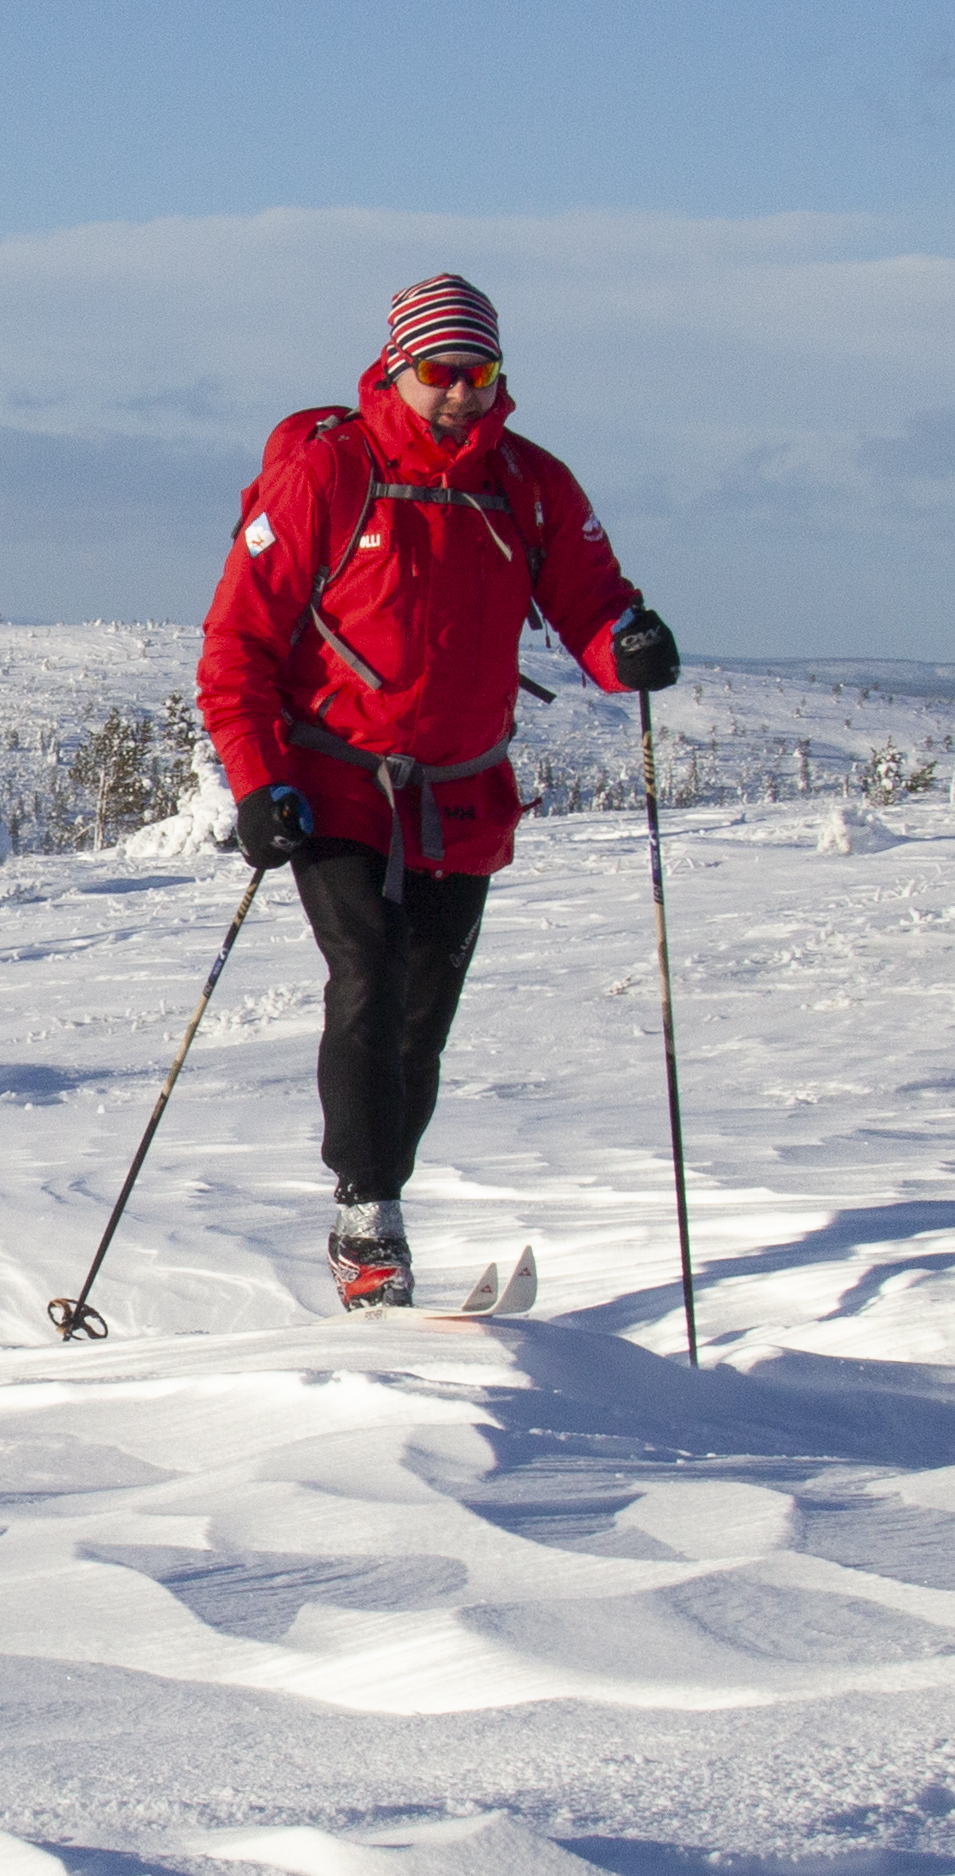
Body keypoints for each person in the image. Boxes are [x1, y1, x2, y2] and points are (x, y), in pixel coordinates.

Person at [192, 275, 678, 1309]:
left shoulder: (530, 484)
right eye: (437, 372)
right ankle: (366, 1217)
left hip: (462, 793)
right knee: (366, 974)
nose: (458, 392)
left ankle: (379, 1199)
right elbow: (236, 642)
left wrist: (623, 643)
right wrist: (257, 782)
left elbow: (588, 601)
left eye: (478, 372)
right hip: (334, 785)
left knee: (422, 1014)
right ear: (397, 368)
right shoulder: (326, 477)